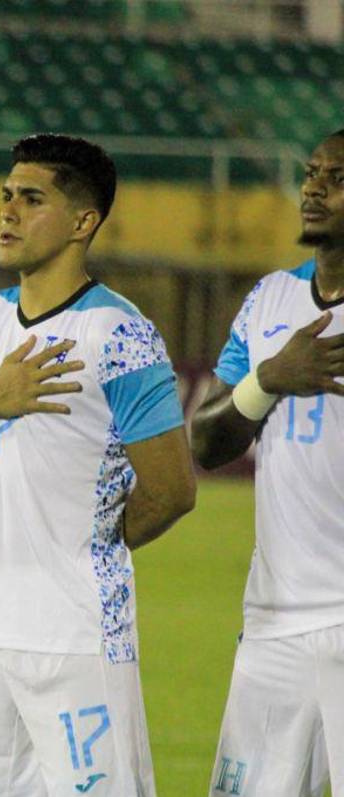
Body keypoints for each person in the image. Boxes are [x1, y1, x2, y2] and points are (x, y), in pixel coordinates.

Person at [0, 134, 196, 796]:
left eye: (31, 198)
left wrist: (89, 548)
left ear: (82, 222)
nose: (8, 211)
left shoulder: (120, 334)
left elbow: (173, 490)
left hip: (78, 637)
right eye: (6, 195)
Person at [191, 129, 344, 797]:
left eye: (336, 177)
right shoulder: (268, 301)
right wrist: (271, 376)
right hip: (274, 626)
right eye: (311, 173)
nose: (312, 188)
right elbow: (205, 441)